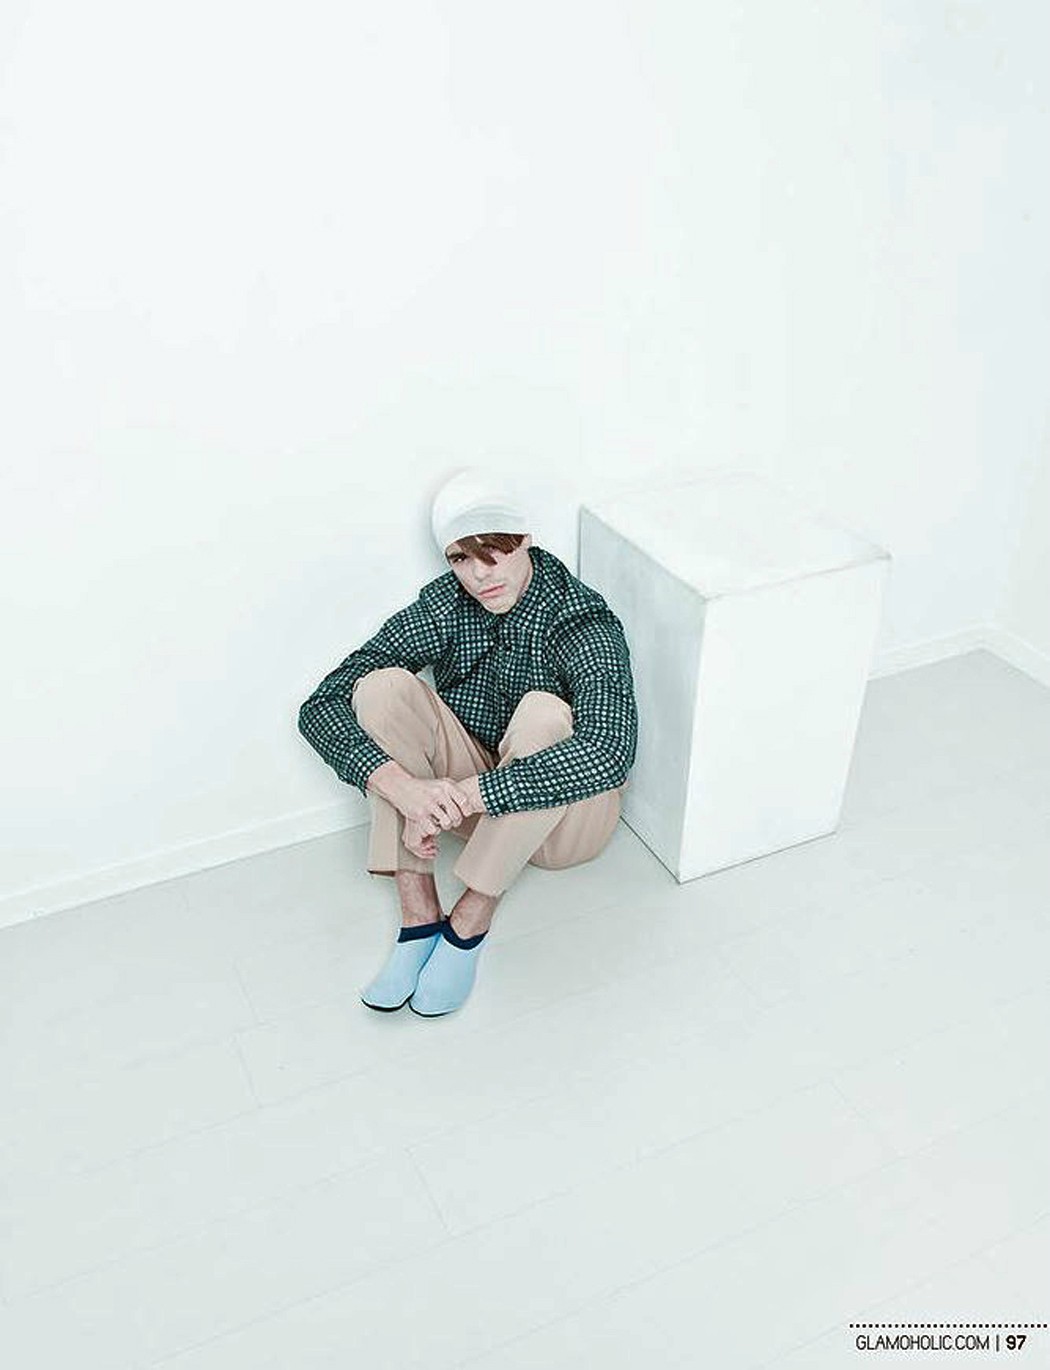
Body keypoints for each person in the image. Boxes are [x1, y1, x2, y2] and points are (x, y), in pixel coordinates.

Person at [297, 469, 638, 1016]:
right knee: (382, 688)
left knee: (544, 713)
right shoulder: (446, 604)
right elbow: (323, 703)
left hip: (566, 824)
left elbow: (609, 749)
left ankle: (471, 918)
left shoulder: (581, 618)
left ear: (525, 541)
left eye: (494, 551)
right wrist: (403, 788)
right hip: (471, 803)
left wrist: (468, 794)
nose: (480, 574)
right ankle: (419, 914)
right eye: (461, 558)